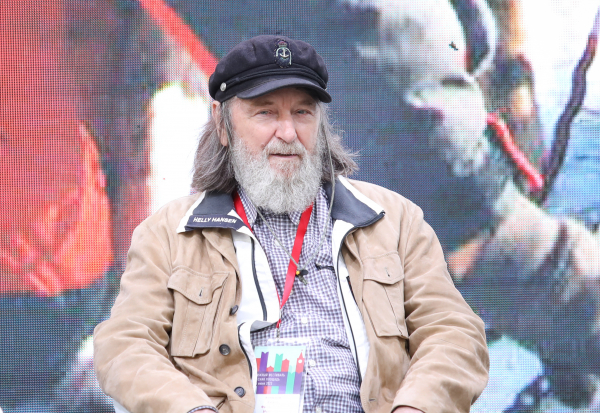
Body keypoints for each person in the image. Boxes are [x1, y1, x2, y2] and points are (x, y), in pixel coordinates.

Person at [94, 35, 489, 413]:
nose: (287, 133)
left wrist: (416, 405)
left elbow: (453, 331)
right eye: (265, 112)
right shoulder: (170, 234)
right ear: (222, 123)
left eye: (302, 112)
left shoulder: (394, 219)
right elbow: (125, 347)